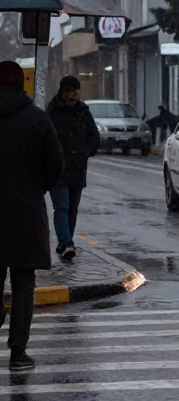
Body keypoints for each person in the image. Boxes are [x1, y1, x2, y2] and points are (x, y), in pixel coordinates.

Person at [0, 61, 64, 371]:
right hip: (26, 213)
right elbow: (56, 165)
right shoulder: (38, 120)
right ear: (22, 85)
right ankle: (17, 353)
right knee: (24, 284)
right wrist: (36, 186)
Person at [46, 75, 100, 260]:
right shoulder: (52, 111)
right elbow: (44, 137)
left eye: (76, 93)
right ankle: (67, 243)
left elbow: (94, 136)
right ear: (62, 92)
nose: (72, 96)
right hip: (57, 168)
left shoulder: (83, 111)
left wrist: (85, 152)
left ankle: (64, 243)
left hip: (77, 168)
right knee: (62, 207)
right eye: (69, 92)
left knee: (72, 209)